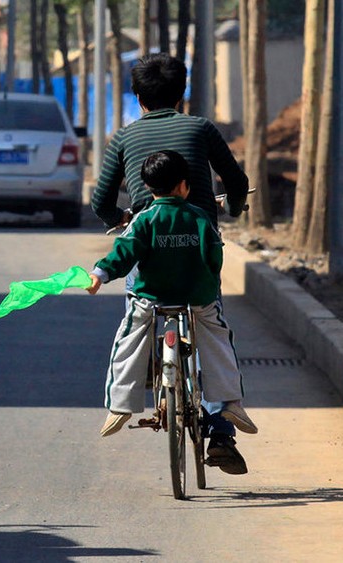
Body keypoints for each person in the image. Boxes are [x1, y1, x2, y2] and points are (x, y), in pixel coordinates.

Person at [90, 53, 252, 474]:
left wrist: (121, 221)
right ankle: (220, 428)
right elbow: (236, 181)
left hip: (150, 255)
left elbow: (101, 201)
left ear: (137, 96)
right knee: (209, 323)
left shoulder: (124, 138)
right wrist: (235, 205)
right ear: (181, 93)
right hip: (195, 260)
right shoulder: (201, 128)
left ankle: (128, 397)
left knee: (138, 311)